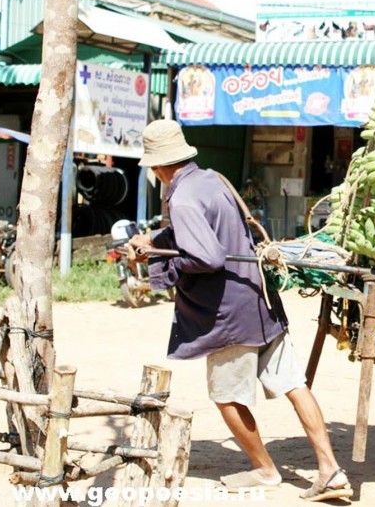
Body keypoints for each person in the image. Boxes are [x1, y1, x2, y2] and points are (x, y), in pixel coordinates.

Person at [128, 119, 352, 502]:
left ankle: (265, 470)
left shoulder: (181, 199)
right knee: (294, 384)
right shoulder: (212, 179)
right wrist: (154, 240)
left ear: (158, 167)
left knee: (226, 396)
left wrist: (161, 260)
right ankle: (330, 471)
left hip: (228, 314)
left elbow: (208, 256)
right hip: (259, 298)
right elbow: (209, 233)